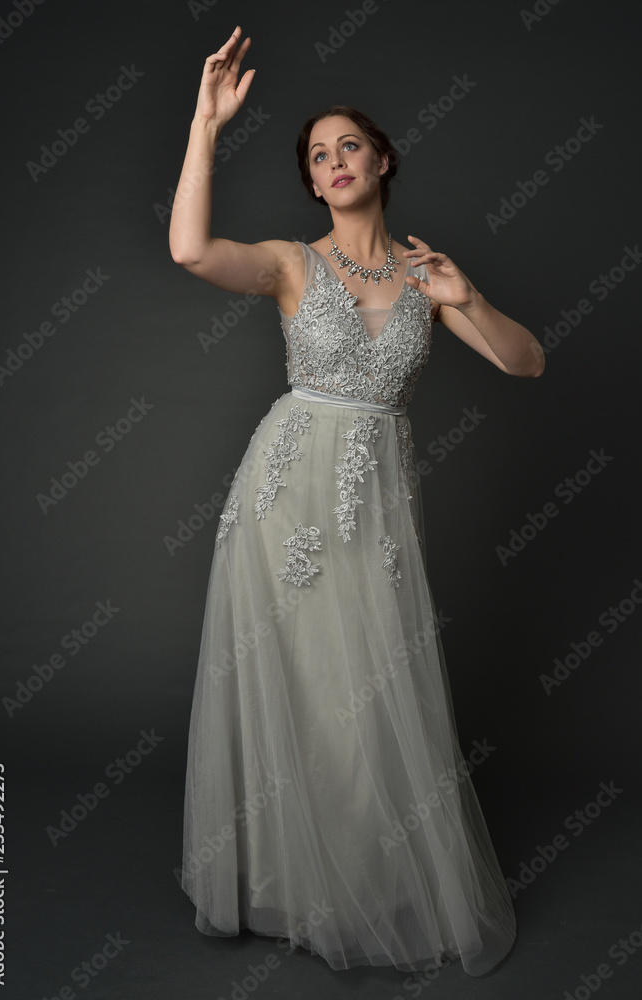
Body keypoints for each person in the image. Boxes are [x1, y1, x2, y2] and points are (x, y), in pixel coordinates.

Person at [169, 25, 544, 979]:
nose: (332, 162)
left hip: (373, 502)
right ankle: (291, 882)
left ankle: (361, 880)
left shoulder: (424, 278)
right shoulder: (292, 264)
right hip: (281, 497)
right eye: (316, 155)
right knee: (296, 682)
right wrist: (206, 126)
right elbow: (186, 252)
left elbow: (524, 360)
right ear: (311, 182)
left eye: (347, 146)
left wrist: (467, 294)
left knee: (359, 693)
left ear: (382, 159)